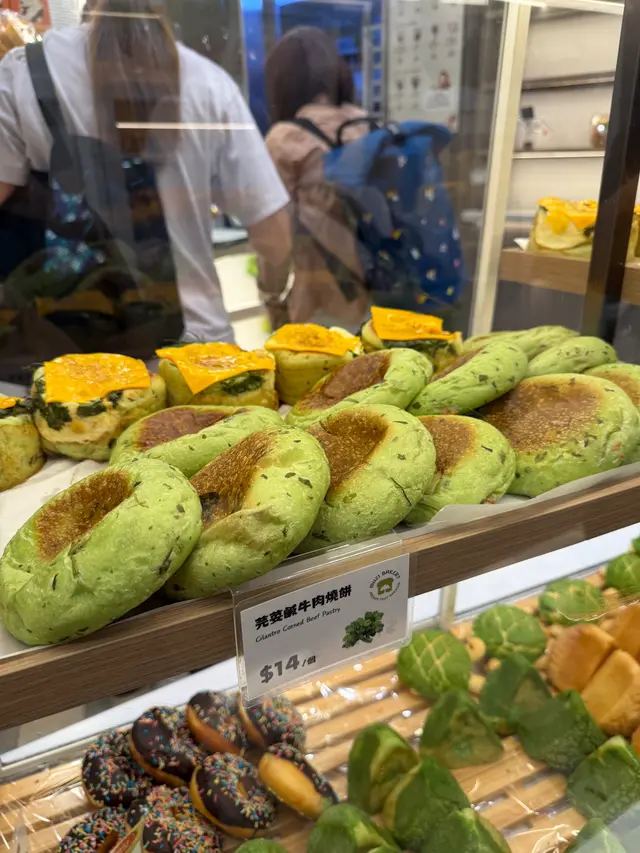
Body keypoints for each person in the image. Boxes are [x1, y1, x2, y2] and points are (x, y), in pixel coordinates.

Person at [0, 0, 291, 348]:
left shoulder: (23, 74)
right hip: (196, 353)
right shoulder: (210, 84)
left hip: (68, 356)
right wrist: (273, 294)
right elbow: (275, 237)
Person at [263, 26, 370, 331]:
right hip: (381, 293)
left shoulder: (285, 139)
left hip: (322, 303)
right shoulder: (364, 124)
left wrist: (272, 297)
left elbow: (274, 238)